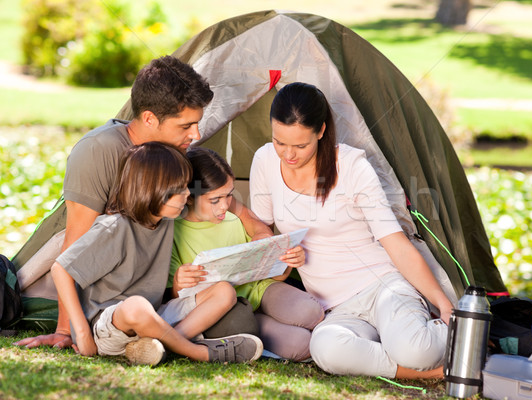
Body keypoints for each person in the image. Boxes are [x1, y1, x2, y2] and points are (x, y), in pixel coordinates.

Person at [16, 55, 270, 350]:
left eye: (197, 124)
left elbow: (222, 195)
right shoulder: (99, 151)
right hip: (109, 304)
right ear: (150, 118)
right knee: (232, 321)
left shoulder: (175, 153)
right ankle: (177, 345)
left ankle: (158, 341)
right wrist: (66, 330)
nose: (196, 135)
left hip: (159, 295)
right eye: (186, 125)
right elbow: (75, 241)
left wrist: (257, 228)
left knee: (239, 320)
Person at [249, 82, 454, 379]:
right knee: (324, 349)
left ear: (320, 131)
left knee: (415, 349)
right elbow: (261, 227)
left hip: (383, 286)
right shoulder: (265, 161)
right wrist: (275, 250)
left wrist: (444, 303)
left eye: (300, 145)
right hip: (335, 309)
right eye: (280, 142)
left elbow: (396, 244)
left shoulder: (352, 167)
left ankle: (446, 337)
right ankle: (427, 372)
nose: (288, 155)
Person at [51, 142, 263, 365]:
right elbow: (60, 270)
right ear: (154, 192)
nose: (187, 194)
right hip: (108, 327)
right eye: (180, 188)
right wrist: (82, 334)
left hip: (153, 315)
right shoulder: (114, 227)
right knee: (136, 306)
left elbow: (218, 199)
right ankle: (199, 352)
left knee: (224, 291)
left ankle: (162, 345)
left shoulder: (166, 219)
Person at [169, 146, 324, 361]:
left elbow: (277, 276)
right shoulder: (175, 233)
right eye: (215, 200)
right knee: (302, 345)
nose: (225, 206)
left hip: (261, 290)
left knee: (312, 312)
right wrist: (179, 282)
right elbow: (175, 301)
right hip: (232, 311)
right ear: (189, 198)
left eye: (229, 196)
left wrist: (288, 260)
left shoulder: (233, 220)